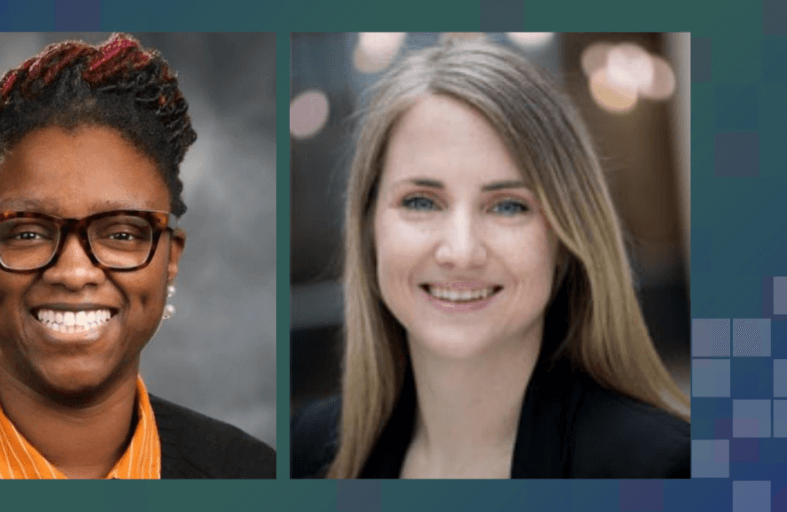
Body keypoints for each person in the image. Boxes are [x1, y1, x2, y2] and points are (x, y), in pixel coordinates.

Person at [0, 34, 275, 479]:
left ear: (170, 259)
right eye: (28, 232)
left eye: (121, 233)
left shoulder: (249, 471)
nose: (73, 272)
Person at [291, 37, 690, 479]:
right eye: (421, 202)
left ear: (564, 242)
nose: (461, 252)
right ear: (369, 232)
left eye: (508, 206)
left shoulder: (658, 469)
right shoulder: (304, 452)